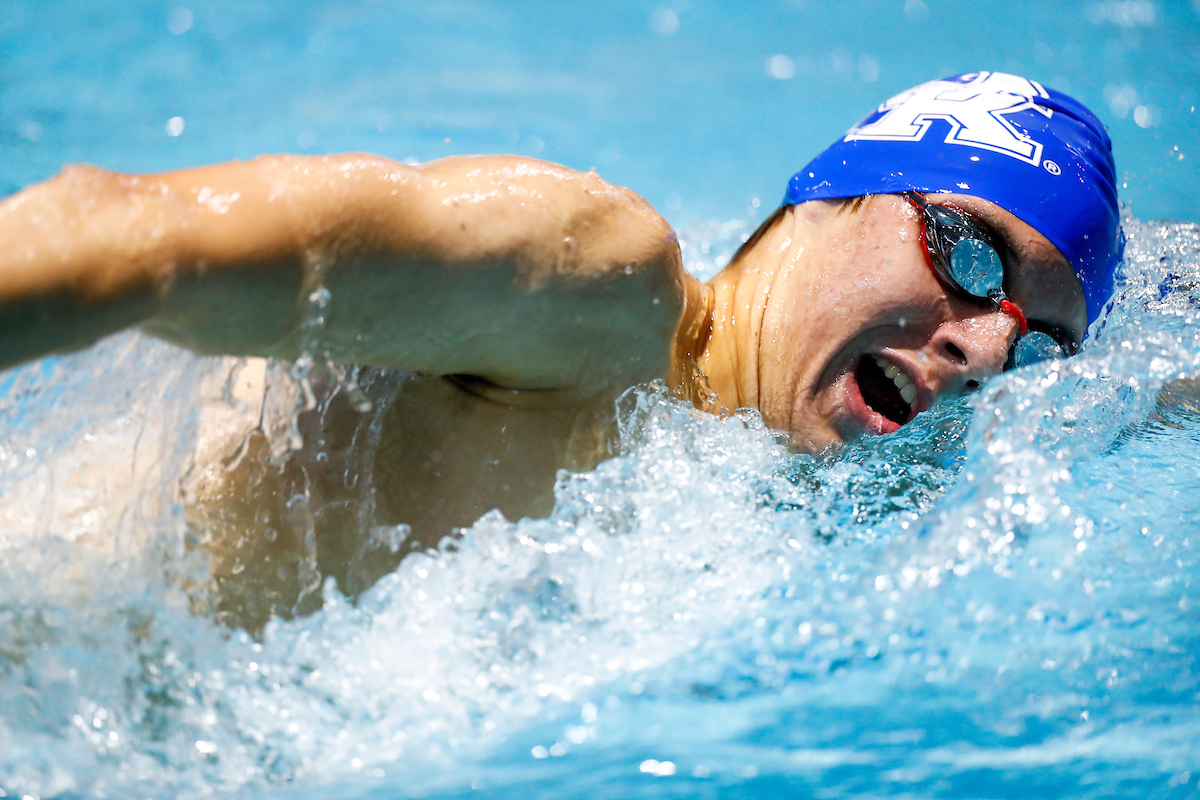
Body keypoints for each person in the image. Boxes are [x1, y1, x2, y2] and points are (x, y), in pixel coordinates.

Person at [0, 71, 1120, 629]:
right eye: (971, 254)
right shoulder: (596, 287)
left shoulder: (751, 481)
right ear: (830, 197)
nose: (984, 350)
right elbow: (132, 239)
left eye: (1036, 348)